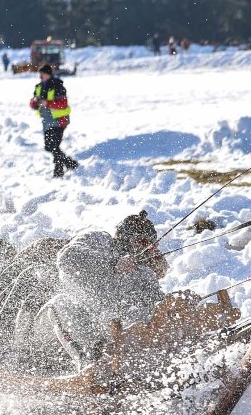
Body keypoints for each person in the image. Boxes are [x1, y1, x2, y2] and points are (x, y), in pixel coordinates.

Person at [17, 211, 169, 371]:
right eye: (142, 242)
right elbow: (66, 257)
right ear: (126, 237)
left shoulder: (142, 273)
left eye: (152, 247)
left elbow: (160, 307)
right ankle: (88, 368)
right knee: (61, 303)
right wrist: (113, 263)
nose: (146, 250)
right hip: (51, 334)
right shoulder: (100, 240)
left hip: (103, 335)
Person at [29, 64, 79, 178]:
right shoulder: (39, 86)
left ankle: (59, 171)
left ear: (48, 74)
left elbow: (63, 103)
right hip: (47, 121)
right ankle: (69, 163)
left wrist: (48, 103)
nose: (40, 76)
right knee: (49, 146)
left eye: (42, 73)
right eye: (39, 73)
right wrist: (34, 103)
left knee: (54, 145)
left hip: (59, 120)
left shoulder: (57, 85)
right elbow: (33, 103)